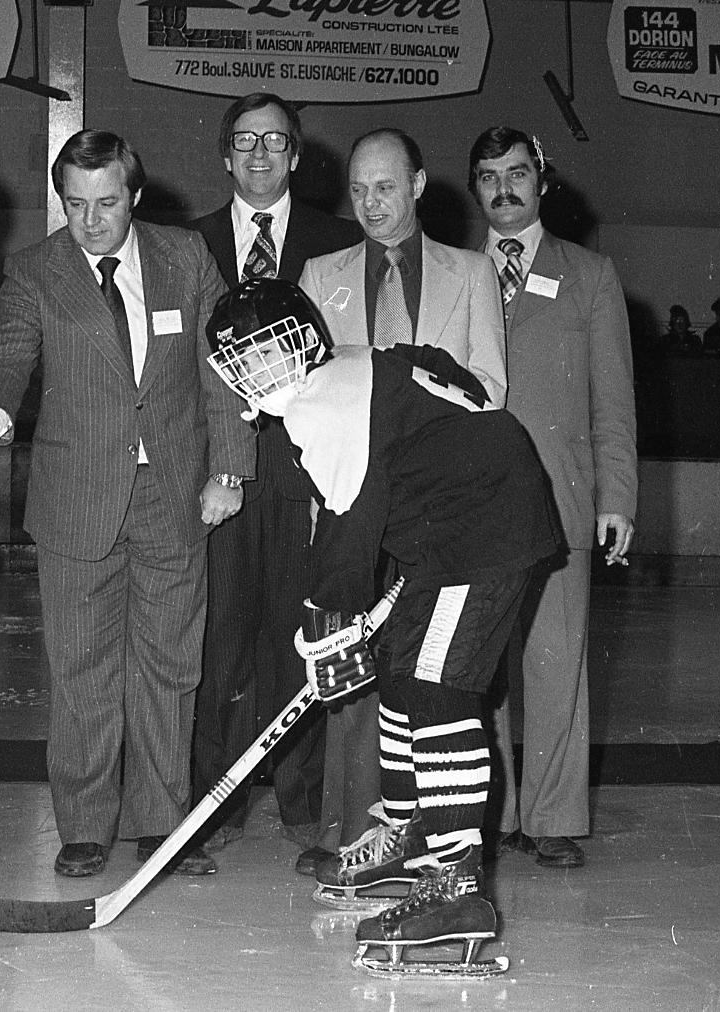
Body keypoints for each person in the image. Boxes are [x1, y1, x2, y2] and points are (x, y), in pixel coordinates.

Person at [204, 276, 559, 978]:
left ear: (302, 339)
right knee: (399, 670)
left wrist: (323, 623)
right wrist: (344, 621)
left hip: (479, 529)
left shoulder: (320, 402)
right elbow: (444, 372)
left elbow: (345, 530)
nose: (260, 370)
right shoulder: (350, 362)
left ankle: (457, 886)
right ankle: (407, 832)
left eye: (270, 349)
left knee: (436, 686)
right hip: (444, 525)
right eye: (243, 358)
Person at [0, 129, 253, 880]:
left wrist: (231, 469)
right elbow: (8, 354)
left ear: (135, 196)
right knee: (82, 670)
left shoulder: (184, 257)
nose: (91, 221)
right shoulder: (34, 271)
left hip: (174, 493)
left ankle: (162, 826)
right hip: (75, 499)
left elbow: (222, 368)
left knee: (169, 667)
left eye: (107, 202)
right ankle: (85, 828)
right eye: (75, 204)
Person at [295, 127, 508, 874]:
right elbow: (317, 396)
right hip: (355, 501)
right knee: (361, 671)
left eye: (384, 188)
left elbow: (489, 390)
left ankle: (430, 847)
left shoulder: (471, 272)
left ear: (418, 184)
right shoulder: (322, 274)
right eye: (357, 191)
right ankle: (351, 832)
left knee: (429, 675)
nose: (370, 205)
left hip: (442, 507)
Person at [183, 93, 364, 867]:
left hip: (304, 476)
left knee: (299, 644)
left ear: (296, 155)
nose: (259, 154)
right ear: (225, 155)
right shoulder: (184, 245)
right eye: (245, 141)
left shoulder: (339, 243)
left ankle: (301, 807)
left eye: (275, 141)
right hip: (214, 480)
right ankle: (212, 809)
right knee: (218, 644)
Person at [469, 127, 637, 871]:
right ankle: (490, 813)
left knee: (555, 661)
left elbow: (614, 402)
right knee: (478, 669)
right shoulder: (448, 272)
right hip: (468, 502)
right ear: (473, 187)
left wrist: (618, 498)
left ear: (541, 180)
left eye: (515, 174)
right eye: (486, 177)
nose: (502, 189)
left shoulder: (590, 275)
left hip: (561, 499)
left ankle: (551, 816)